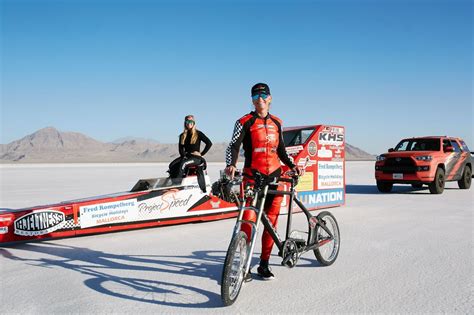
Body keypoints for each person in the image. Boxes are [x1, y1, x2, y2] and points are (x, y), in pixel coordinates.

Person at [225, 83, 302, 280]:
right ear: (251, 99)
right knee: (248, 221)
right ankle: (244, 265)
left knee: (271, 223)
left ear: (270, 98)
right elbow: (233, 147)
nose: (260, 98)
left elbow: (282, 151)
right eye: (256, 95)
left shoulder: (277, 122)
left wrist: (292, 166)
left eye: (263, 94)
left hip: (275, 177)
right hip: (252, 178)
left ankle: (264, 264)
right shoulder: (244, 121)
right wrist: (231, 165)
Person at [168, 115, 212, 188]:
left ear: (194, 123)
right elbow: (181, 149)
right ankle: (173, 183)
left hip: (196, 158)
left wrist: (201, 154)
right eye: (187, 121)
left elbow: (209, 143)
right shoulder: (182, 135)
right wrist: (183, 156)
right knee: (172, 165)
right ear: (185, 123)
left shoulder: (198, 133)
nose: (189, 123)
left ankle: (177, 186)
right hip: (186, 156)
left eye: (191, 121)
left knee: (183, 164)